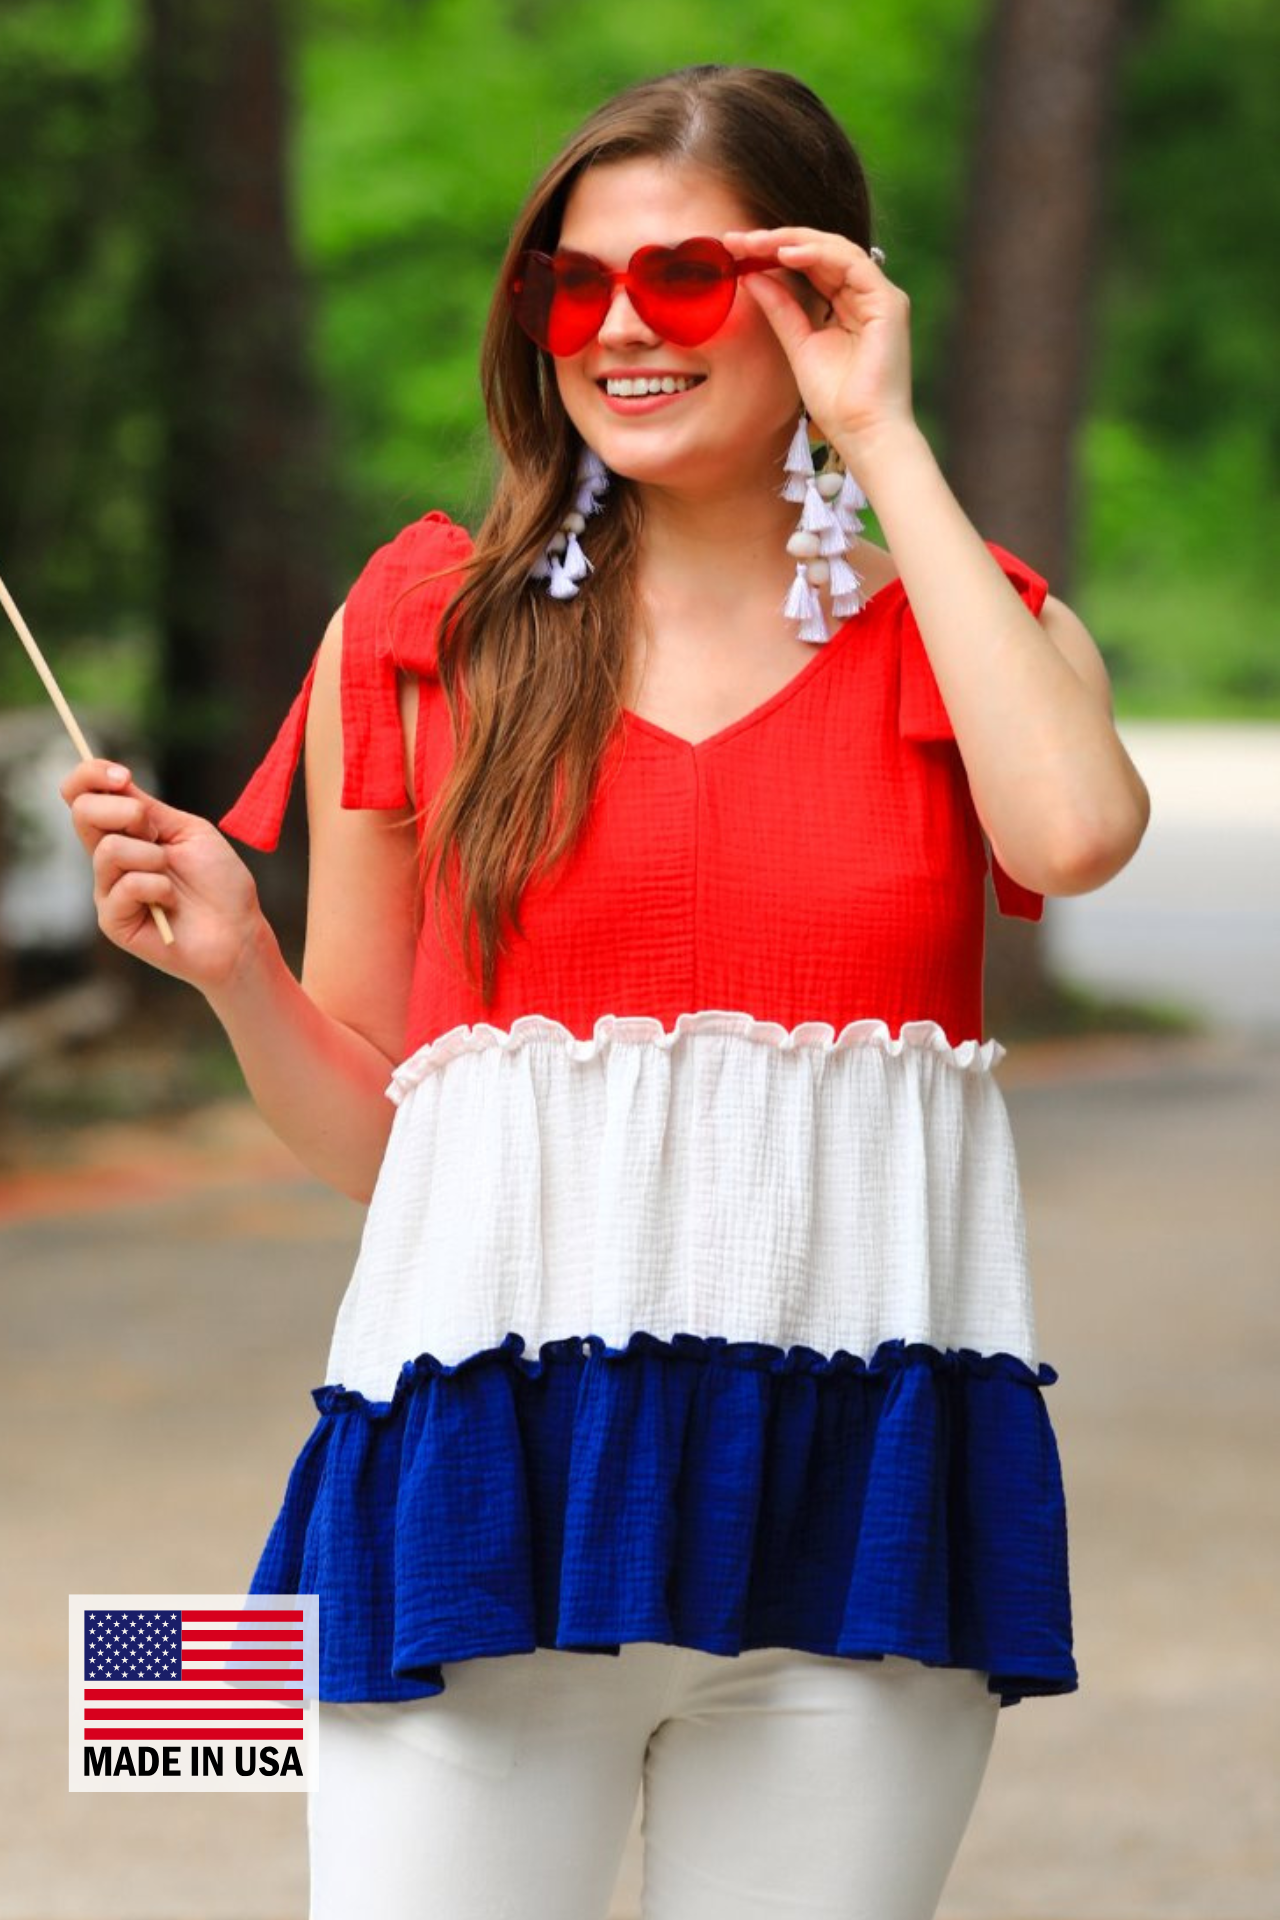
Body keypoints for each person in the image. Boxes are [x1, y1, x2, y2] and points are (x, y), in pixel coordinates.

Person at [61, 62, 1149, 1920]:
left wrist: (881, 440)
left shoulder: (970, 629)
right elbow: (376, 1146)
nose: (623, 327)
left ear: (817, 295)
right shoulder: (418, 631)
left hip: (860, 1513)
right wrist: (237, 968)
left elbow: (1067, 833)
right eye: (576, 287)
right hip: (485, 1493)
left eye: (687, 278)